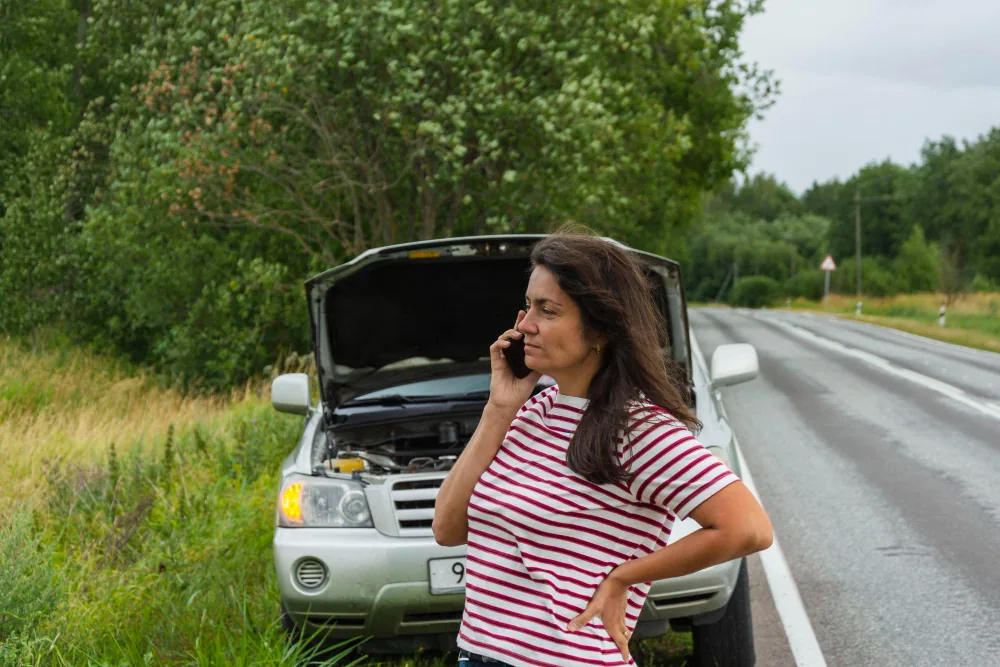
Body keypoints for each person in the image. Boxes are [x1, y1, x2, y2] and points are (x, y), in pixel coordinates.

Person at [433, 227, 773, 667]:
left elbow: (749, 528)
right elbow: (447, 528)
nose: (525, 325)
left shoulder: (641, 430)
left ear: (600, 330)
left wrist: (627, 576)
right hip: (479, 655)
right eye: (528, 306)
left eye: (548, 310)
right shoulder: (529, 412)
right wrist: (499, 408)